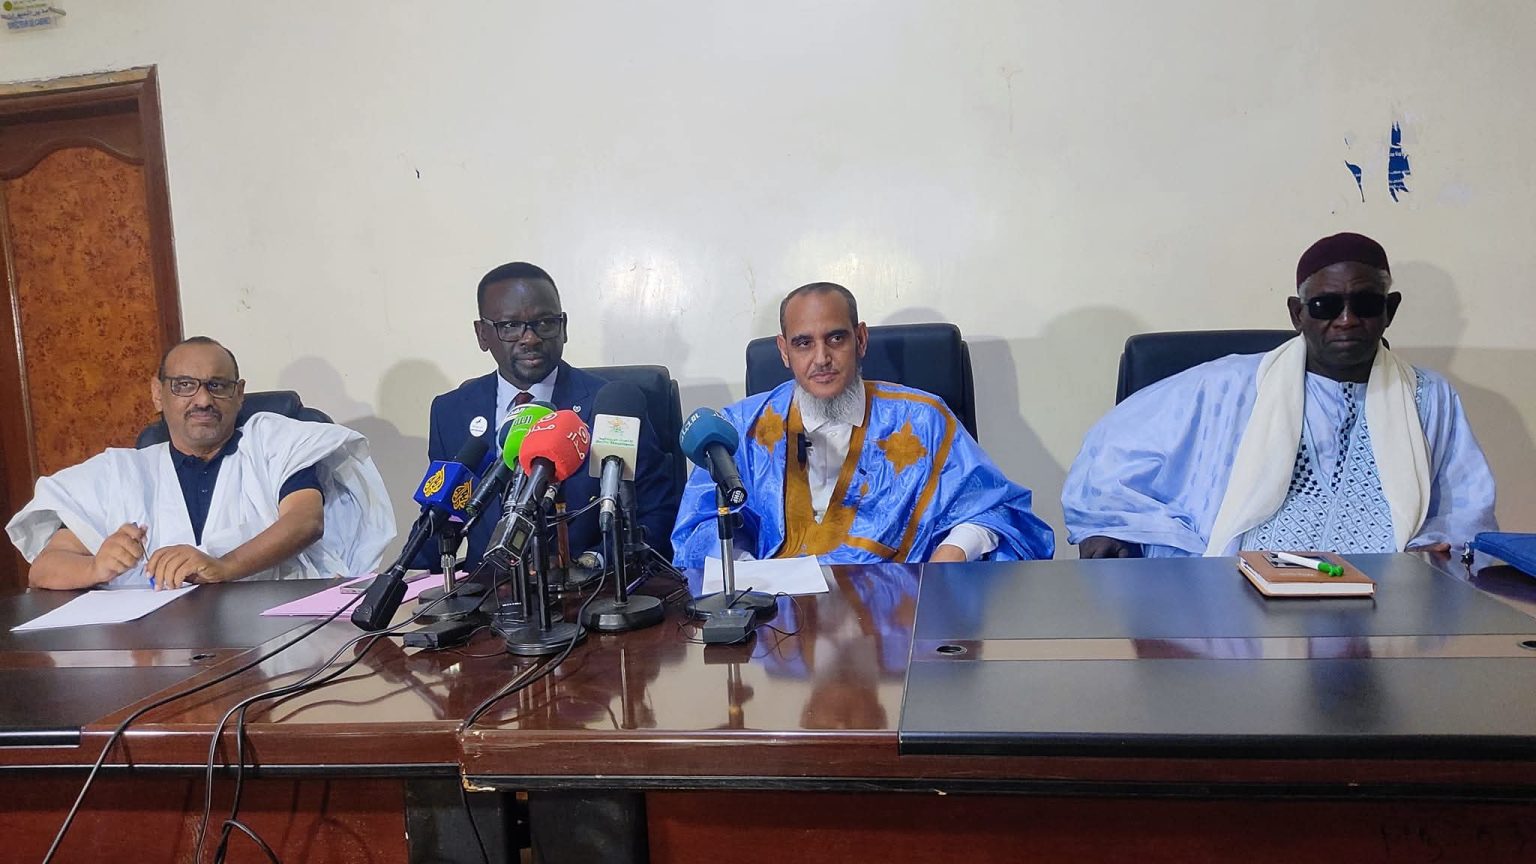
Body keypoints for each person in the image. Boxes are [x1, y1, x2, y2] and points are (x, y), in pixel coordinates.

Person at [1063, 232, 1497, 561]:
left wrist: (1433, 551)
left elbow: (1465, 508)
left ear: (1390, 310)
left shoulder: (1429, 397)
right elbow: (1111, 452)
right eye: (1326, 306)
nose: (1347, 320)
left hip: (1385, 594)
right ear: (1297, 313)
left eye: (1365, 304)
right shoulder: (1226, 386)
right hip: (1238, 583)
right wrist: (1109, 525)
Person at [671, 282, 1055, 567]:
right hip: (778, 626)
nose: (821, 358)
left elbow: (998, 511)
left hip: (900, 622)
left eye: (836, 338)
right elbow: (698, 528)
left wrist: (953, 553)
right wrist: (746, 573)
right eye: (803, 343)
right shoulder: (741, 428)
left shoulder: (923, 420)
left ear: (861, 339)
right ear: (784, 352)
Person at [7, 337, 395, 589]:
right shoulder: (121, 473)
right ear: (158, 394)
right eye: (184, 385)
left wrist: (223, 567)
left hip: (274, 639)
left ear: (239, 394)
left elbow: (305, 521)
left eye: (217, 385)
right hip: (155, 652)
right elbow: (44, 568)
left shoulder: (274, 442)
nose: (203, 399)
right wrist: (94, 568)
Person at [423, 262, 676, 569]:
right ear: (482, 334)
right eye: (510, 326)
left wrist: (591, 562)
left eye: (544, 323)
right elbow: (439, 520)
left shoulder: (611, 406)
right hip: (489, 590)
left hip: (591, 589)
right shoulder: (451, 412)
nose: (530, 338)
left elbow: (656, 514)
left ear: (563, 327)